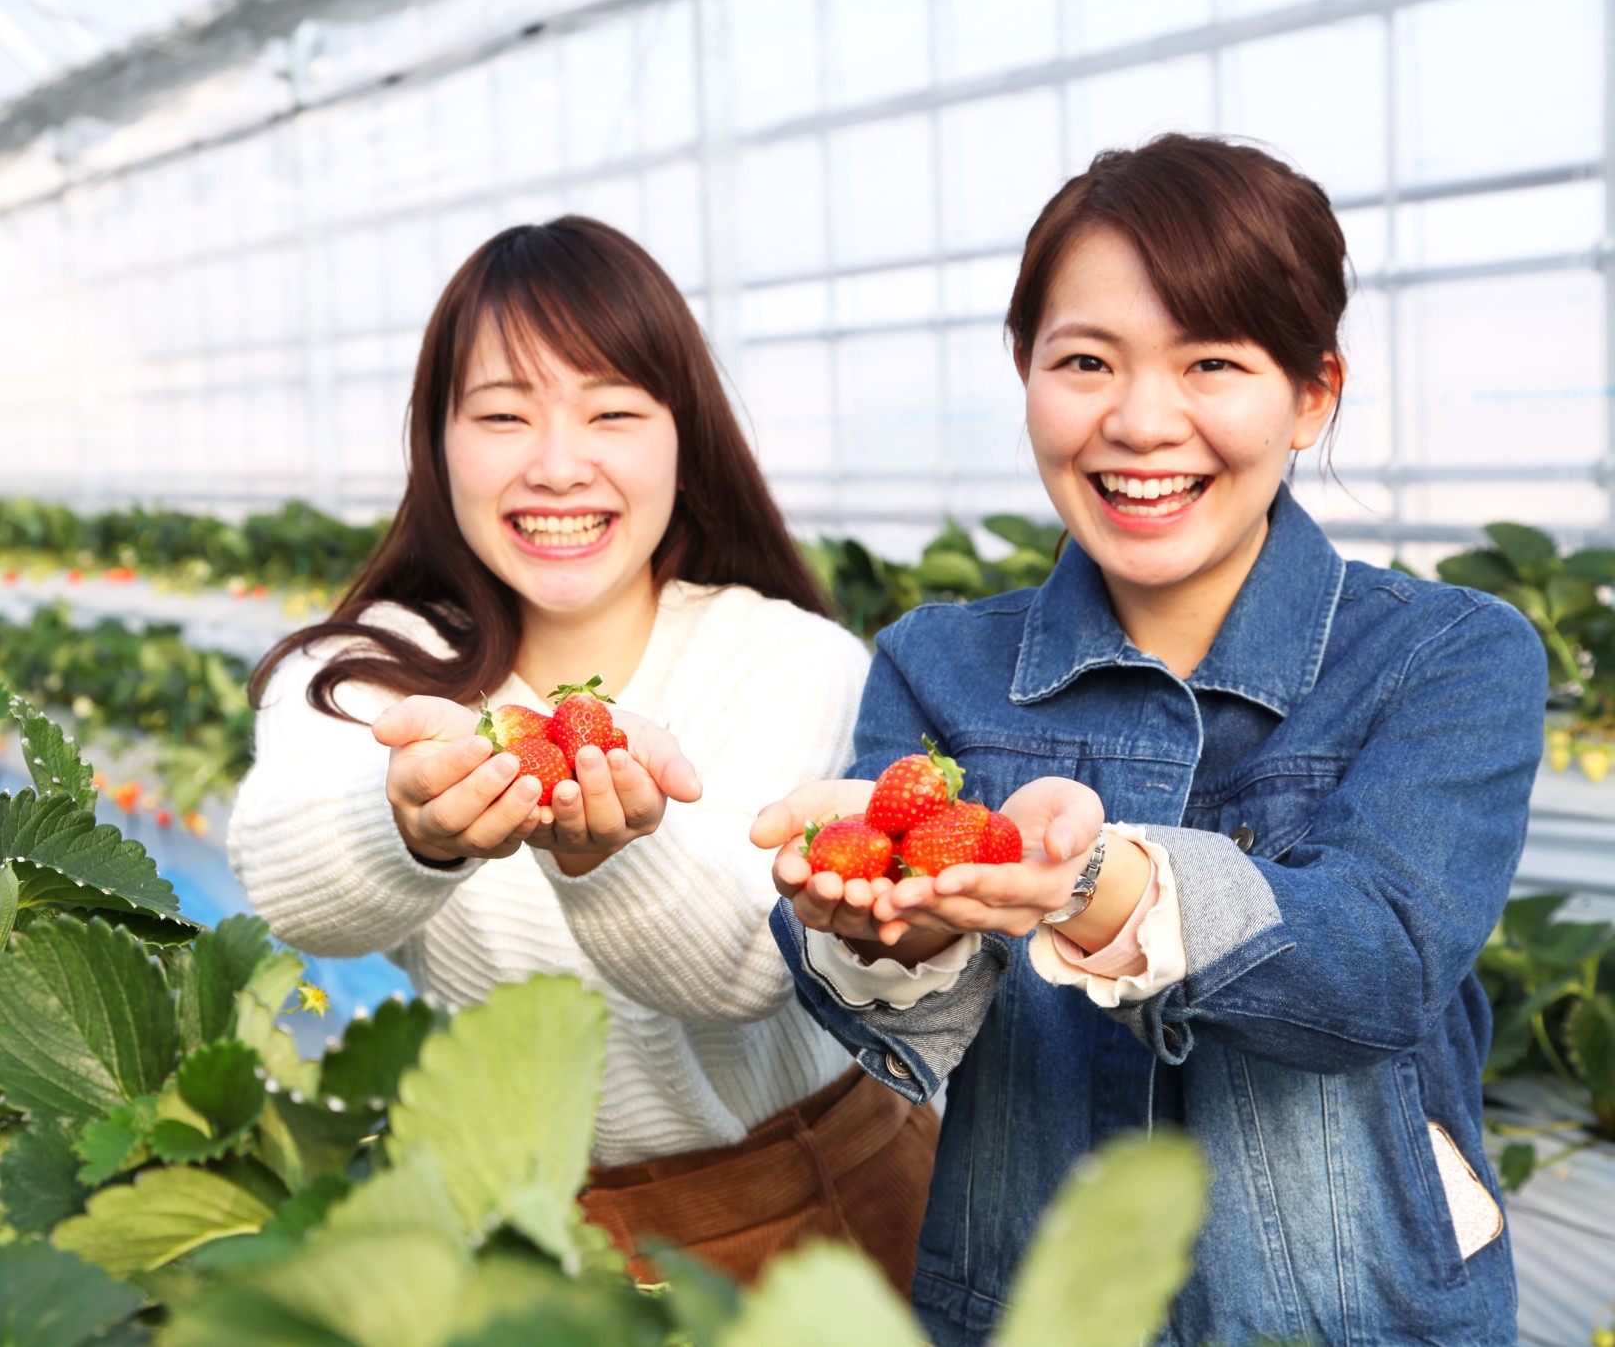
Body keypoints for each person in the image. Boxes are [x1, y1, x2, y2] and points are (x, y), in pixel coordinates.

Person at [753, 136, 1543, 1347]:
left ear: (1310, 393)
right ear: (1024, 370)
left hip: (1354, 1315)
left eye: (1211, 361)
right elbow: (909, 1031)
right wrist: (882, 936)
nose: (1137, 420)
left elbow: (1379, 967)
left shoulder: (1445, 655)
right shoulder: (938, 664)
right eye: (1083, 361)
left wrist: (1099, 882)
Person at [230, 216, 938, 1290]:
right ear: (437, 440)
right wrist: (404, 823)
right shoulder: (362, 675)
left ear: (681, 438)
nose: (557, 467)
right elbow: (294, 888)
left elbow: (757, 962)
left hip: (822, 1207)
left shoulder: (788, 657)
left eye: (610, 412)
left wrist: (613, 849)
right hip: (521, 1234)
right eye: (502, 416)